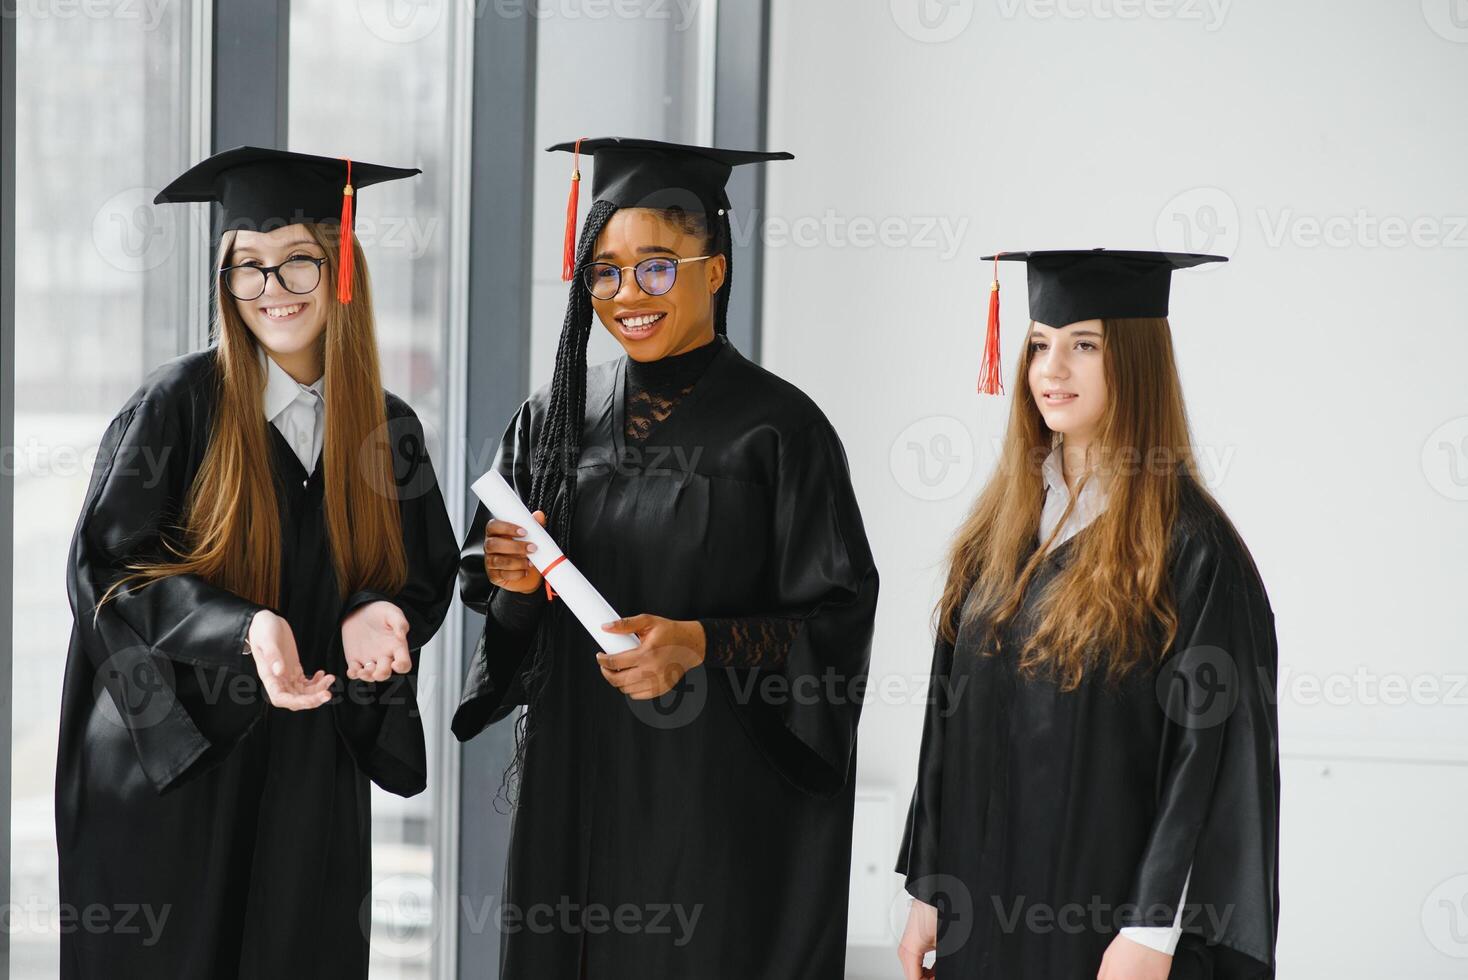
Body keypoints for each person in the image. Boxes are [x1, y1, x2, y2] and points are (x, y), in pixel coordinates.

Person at [452, 137, 880, 979]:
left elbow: (836, 620)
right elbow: (501, 617)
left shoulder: (780, 430)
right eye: (604, 273)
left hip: (711, 804)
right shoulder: (554, 416)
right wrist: (511, 586)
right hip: (573, 791)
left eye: (656, 267)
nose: (626, 296)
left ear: (713, 269)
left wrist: (700, 643)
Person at [56, 146, 460, 979]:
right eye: (247, 268)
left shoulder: (388, 428)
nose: (271, 289)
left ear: (340, 266)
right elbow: (106, 569)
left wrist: (383, 612)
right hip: (175, 769)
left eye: (296, 263)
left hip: (307, 774)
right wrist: (243, 629)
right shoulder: (178, 403)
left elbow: (422, 569)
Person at [896, 250, 1280, 979]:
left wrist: (1151, 931)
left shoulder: (1192, 552)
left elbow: (1212, 760)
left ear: (1133, 362)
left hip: (1106, 926)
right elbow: (948, 720)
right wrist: (927, 888)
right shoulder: (998, 533)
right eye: (1040, 344)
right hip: (983, 905)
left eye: (1083, 346)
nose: (1051, 370)